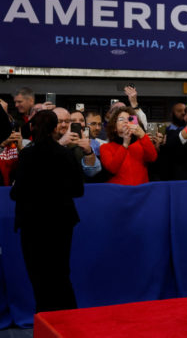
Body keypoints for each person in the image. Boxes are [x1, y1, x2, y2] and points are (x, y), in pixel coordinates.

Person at [10, 110, 84, 313]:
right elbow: (78, 190)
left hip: (33, 224)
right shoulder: (66, 154)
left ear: (32, 128)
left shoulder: (27, 155)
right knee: (60, 273)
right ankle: (69, 322)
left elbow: (16, 193)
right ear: (55, 128)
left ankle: (46, 321)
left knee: (39, 276)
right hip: (61, 223)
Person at [99, 107, 158, 185]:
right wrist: (125, 145)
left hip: (141, 191)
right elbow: (112, 169)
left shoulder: (141, 143)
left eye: (129, 119)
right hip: (118, 192)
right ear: (114, 128)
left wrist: (143, 135)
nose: (126, 121)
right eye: (121, 119)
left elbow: (152, 158)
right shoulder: (105, 147)